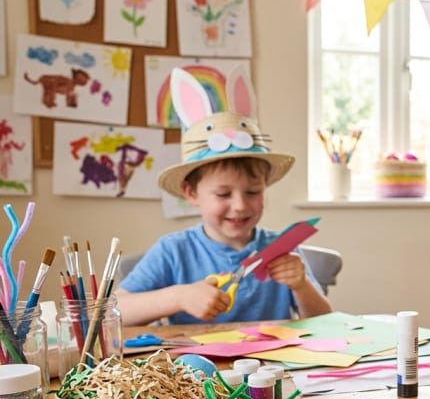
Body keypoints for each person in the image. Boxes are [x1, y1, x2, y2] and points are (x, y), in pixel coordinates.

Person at [117, 67, 332, 326]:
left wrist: (302, 285)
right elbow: (113, 313)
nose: (240, 206)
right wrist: (178, 297)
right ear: (191, 193)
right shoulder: (173, 251)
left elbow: (326, 325)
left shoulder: (282, 248)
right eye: (223, 194)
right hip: (193, 355)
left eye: (253, 192)